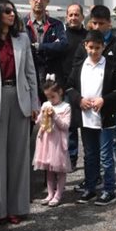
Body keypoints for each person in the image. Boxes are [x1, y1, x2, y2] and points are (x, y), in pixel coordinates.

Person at [0, 0, 39, 225]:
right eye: (7, 11)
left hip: (19, 96)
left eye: (13, 10)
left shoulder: (22, 39)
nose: (12, 14)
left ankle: (17, 207)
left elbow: (30, 73)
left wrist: (34, 103)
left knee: (19, 154)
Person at [68, 30, 116, 206]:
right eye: (91, 47)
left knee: (106, 156)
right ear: (85, 46)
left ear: (103, 47)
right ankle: (90, 188)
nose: (94, 51)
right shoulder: (79, 66)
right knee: (90, 155)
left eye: (98, 48)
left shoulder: (110, 66)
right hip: (86, 119)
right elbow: (69, 88)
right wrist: (79, 100)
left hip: (104, 118)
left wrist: (104, 100)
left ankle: (109, 190)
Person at [25, 0, 68, 97]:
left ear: (48, 1)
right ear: (30, 0)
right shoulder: (21, 24)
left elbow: (63, 45)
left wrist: (39, 46)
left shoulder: (56, 24)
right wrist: (52, 45)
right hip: (28, 79)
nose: (39, 1)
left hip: (51, 81)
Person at [34, 79, 72, 207]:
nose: (50, 99)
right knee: (48, 169)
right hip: (47, 142)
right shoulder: (46, 104)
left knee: (60, 169)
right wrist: (40, 114)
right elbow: (39, 122)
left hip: (58, 143)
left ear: (60, 92)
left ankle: (59, 194)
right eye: (48, 97)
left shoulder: (66, 107)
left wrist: (54, 116)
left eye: (53, 96)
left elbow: (65, 126)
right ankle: (50, 193)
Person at [61, 3, 87, 170]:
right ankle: (71, 158)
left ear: (82, 17)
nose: (73, 18)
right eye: (70, 15)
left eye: (76, 14)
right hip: (66, 85)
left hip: (85, 86)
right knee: (69, 125)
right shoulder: (62, 36)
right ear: (66, 17)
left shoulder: (88, 36)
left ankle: (90, 158)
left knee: (86, 124)